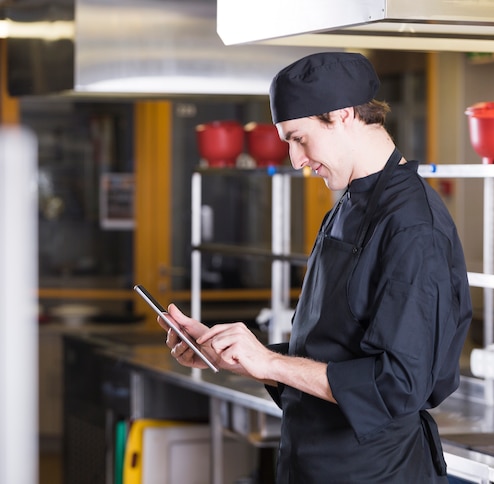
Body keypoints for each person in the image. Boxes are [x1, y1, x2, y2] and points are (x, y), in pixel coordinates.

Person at [159, 52, 472, 483]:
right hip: (311, 464)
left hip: (376, 472)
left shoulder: (413, 225)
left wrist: (269, 363)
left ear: (342, 115)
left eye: (299, 138)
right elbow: (333, 354)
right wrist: (240, 356)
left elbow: (397, 384)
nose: (295, 159)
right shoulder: (348, 204)